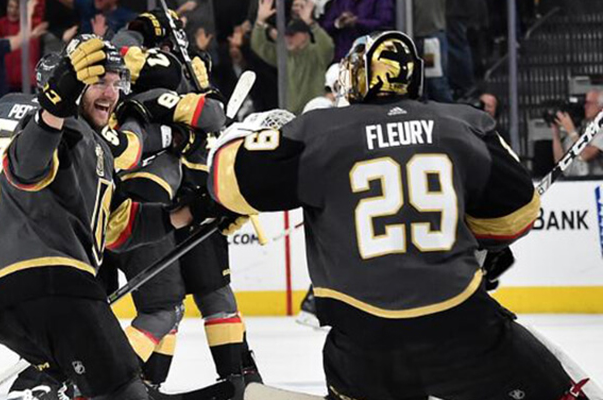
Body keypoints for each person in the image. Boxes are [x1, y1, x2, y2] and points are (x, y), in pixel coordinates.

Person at [207, 31, 590, 400]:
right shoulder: (464, 124)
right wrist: (477, 238)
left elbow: (226, 183)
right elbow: (518, 217)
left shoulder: (317, 132)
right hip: (462, 325)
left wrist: (241, 134)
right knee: (562, 391)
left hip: (362, 344)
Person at [0, 35, 196, 399]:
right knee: (124, 387)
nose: (110, 93)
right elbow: (28, 164)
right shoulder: (63, 128)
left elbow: (117, 226)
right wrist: (54, 108)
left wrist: (194, 213)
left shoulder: (94, 145)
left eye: (116, 82)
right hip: (52, 280)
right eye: (98, 81)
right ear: (72, 84)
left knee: (91, 386)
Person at [251, 0, 334, 114]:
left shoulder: (317, 53)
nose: (287, 39)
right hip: (291, 114)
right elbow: (259, 45)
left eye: (292, 35)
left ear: (304, 36)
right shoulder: (283, 56)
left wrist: (310, 23)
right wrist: (260, 21)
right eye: (286, 35)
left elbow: (328, 45)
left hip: (316, 112)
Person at [318, 0, 394, 60]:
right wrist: (337, 23)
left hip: (371, 58)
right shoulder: (340, 2)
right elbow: (324, 28)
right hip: (343, 58)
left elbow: (385, 25)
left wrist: (357, 22)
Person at [552, 89, 603, 176]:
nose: (585, 106)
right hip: (571, 182)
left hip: (593, 183)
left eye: (589, 103)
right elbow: (559, 162)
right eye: (585, 103)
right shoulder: (582, 128)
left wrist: (571, 131)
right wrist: (555, 134)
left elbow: (586, 156)